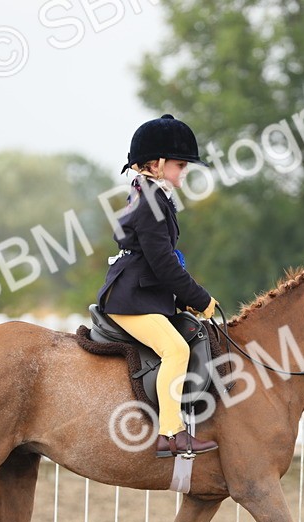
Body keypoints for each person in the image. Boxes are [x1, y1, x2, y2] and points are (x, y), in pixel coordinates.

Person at [96, 114, 220, 458]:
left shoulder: (151, 194)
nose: (184, 171)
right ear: (159, 163)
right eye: (180, 164)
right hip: (130, 298)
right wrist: (200, 297)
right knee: (176, 350)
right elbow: (163, 263)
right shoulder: (150, 201)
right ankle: (171, 433)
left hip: (142, 293)